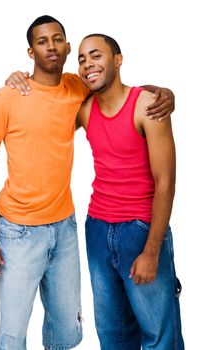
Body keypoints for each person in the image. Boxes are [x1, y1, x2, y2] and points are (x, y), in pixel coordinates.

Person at [0, 15, 175, 350]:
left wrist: (165, 92)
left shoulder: (77, 89)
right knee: (12, 334)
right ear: (30, 51)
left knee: (68, 332)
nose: (51, 46)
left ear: (66, 46)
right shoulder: (8, 96)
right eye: (42, 41)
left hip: (65, 229)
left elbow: (118, 90)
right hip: (19, 231)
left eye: (58, 39)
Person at [76, 34, 184, 349]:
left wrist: (151, 252)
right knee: (113, 335)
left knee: (159, 336)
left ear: (118, 59)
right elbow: (46, 106)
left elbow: (166, 181)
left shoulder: (147, 105)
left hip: (141, 229)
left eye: (96, 55)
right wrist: (19, 80)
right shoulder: (83, 109)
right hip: (97, 229)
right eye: (82, 59)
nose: (88, 65)